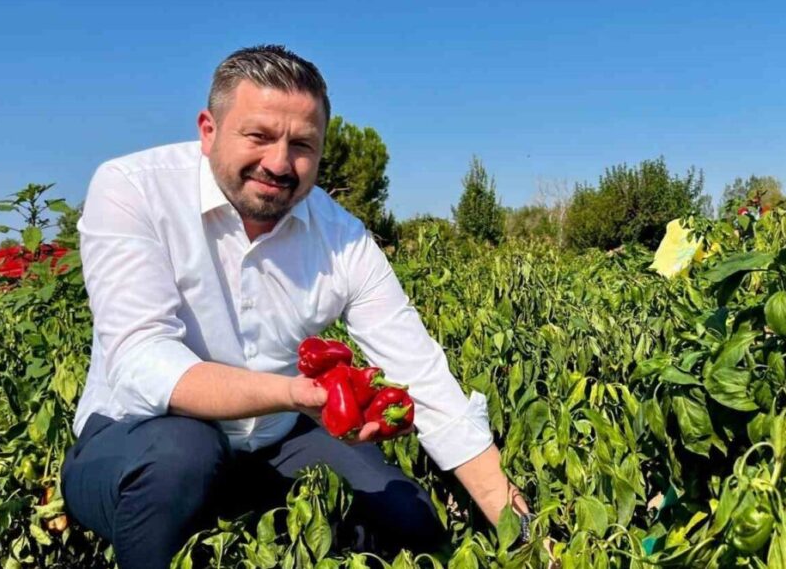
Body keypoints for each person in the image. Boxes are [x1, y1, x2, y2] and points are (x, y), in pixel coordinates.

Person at [61, 45, 530, 568]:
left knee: (411, 518)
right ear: (208, 130)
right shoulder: (133, 189)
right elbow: (142, 360)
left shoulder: (341, 239)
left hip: (276, 443)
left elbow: (426, 382)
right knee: (182, 460)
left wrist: (527, 536)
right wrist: (288, 393)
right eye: (258, 136)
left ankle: (263, 517)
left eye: (302, 144)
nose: (279, 163)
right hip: (135, 442)